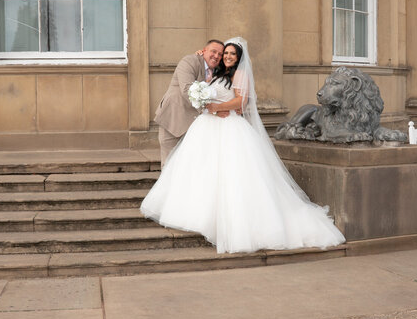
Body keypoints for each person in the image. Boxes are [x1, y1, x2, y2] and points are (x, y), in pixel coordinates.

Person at [141, 37, 346, 254]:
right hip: (204, 126)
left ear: (238, 58)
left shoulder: (239, 74)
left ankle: (232, 221)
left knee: (232, 176)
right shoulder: (213, 71)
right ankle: (194, 213)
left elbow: (241, 102)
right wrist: (210, 107)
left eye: (229, 54)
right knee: (202, 171)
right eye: (222, 53)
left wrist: (214, 107)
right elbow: (192, 89)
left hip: (228, 127)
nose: (224, 57)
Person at [154, 39, 225, 165]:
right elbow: (187, 90)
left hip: (199, 125)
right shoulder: (189, 61)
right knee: (170, 163)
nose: (216, 56)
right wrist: (213, 110)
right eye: (213, 52)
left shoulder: (220, 70)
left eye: (220, 54)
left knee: (192, 166)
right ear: (204, 51)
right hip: (175, 119)